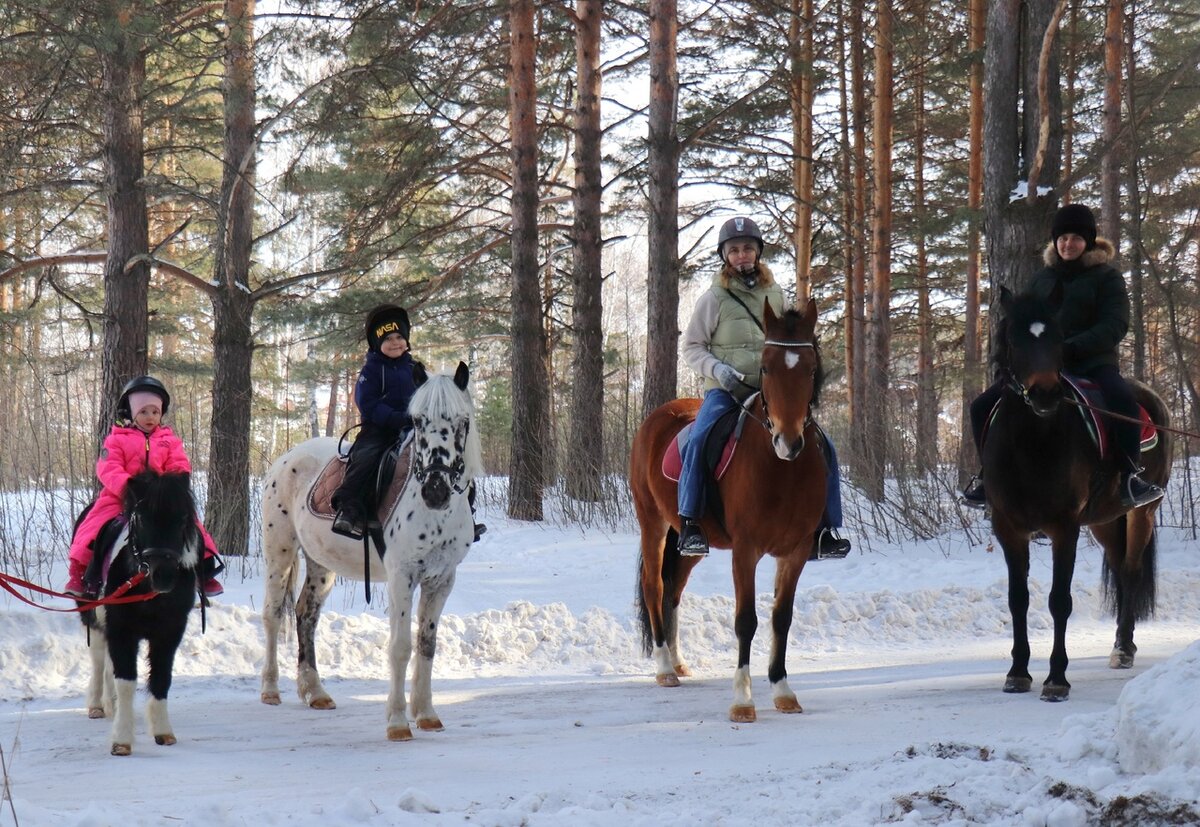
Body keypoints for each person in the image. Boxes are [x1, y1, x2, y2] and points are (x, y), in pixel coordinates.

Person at [962, 203, 1164, 510]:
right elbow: (1021, 319)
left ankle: (1129, 477)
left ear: (1089, 242)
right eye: (1063, 238)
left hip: (1092, 363)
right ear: (1055, 241)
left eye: (1076, 238)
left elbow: (1115, 324)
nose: (1069, 244)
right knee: (981, 407)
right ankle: (989, 478)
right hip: (1042, 366)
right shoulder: (1041, 278)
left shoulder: (1107, 278)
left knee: (1122, 399)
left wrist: (1071, 347)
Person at [677, 216, 851, 560]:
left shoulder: (775, 293)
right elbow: (691, 347)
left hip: (772, 392)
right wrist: (718, 370)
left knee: (824, 445)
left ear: (758, 253)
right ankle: (690, 523)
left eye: (748, 249)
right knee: (700, 438)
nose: (742, 256)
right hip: (726, 390)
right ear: (725, 256)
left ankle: (826, 529)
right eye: (734, 250)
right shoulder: (714, 297)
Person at [331, 304, 486, 542]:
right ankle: (349, 508)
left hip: (415, 430)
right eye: (388, 339)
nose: (395, 343)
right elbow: (368, 403)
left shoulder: (416, 369)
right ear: (376, 343)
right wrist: (395, 418)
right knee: (366, 458)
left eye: (400, 337)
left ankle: (465, 515)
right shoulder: (371, 371)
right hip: (379, 431)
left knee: (450, 462)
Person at [66, 376, 224, 598]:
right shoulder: (116, 439)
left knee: (192, 524)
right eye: (144, 412)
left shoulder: (169, 441)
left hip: (161, 500)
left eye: (155, 412)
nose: (150, 417)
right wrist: (129, 486)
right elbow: (108, 468)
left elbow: (179, 465)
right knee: (97, 525)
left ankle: (204, 570)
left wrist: (170, 486)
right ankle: (81, 572)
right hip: (122, 496)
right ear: (131, 413)